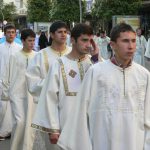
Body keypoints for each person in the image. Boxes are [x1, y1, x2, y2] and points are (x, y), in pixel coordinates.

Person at [57, 23, 150, 150]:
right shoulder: (96, 72)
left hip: (135, 141)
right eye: (125, 41)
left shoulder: (144, 75)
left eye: (133, 41)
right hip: (102, 140)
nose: (131, 46)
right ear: (112, 45)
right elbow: (81, 112)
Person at [31, 23, 101, 149]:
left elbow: (103, 86)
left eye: (91, 41)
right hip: (65, 122)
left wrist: (96, 59)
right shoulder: (59, 64)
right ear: (73, 40)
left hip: (90, 123)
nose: (89, 45)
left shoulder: (95, 63)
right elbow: (50, 97)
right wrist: (53, 128)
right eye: (84, 40)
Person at [26, 20, 71, 150]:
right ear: (51, 35)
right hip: (49, 108)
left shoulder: (73, 53)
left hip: (71, 108)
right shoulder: (41, 55)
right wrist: (53, 82)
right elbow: (32, 84)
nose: (63, 35)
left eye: (65, 32)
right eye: (59, 32)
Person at [1, 28, 36, 150]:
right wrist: (5, 94)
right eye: (29, 41)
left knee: (29, 124)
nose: (32, 43)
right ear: (23, 41)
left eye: (33, 41)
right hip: (16, 94)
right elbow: (7, 75)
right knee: (20, 122)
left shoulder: (37, 56)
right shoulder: (15, 56)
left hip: (32, 95)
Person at [0, 24, 22, 141]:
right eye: (8, 32)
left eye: (13, 32)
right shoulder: (0, 48)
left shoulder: (19, 48)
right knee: (3, 108)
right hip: (1, 81)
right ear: (4, 34)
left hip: (15, 81)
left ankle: (10, 132)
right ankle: (3, 131)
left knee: (14, 108)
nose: (11, 34)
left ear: (16, 34)